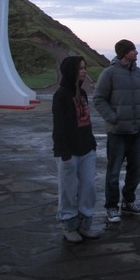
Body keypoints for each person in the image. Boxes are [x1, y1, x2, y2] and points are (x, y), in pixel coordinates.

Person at [93, 39, 140, 223]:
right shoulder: (109, 73)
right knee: (114, 172)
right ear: (124, 52)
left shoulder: (139, 73)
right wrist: (113, 117)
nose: (136, 52)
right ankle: (111, 206)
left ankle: (128, 201)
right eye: (133, 49)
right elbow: (99, 98)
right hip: (117, 133)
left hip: (136, 131)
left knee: (136, 169)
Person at [52, 56, 99, 243]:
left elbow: (86, 121)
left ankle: (85, 223)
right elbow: (59, 126)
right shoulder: (61, 95)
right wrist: (64, 152)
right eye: (80, 68)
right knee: (68, 190)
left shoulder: (83, 94)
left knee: (88, 187)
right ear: (71, 70)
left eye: (84, 68)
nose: (84, 71)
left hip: (87, 148)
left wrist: (92, 144)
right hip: (68, 152)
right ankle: (69, 225)